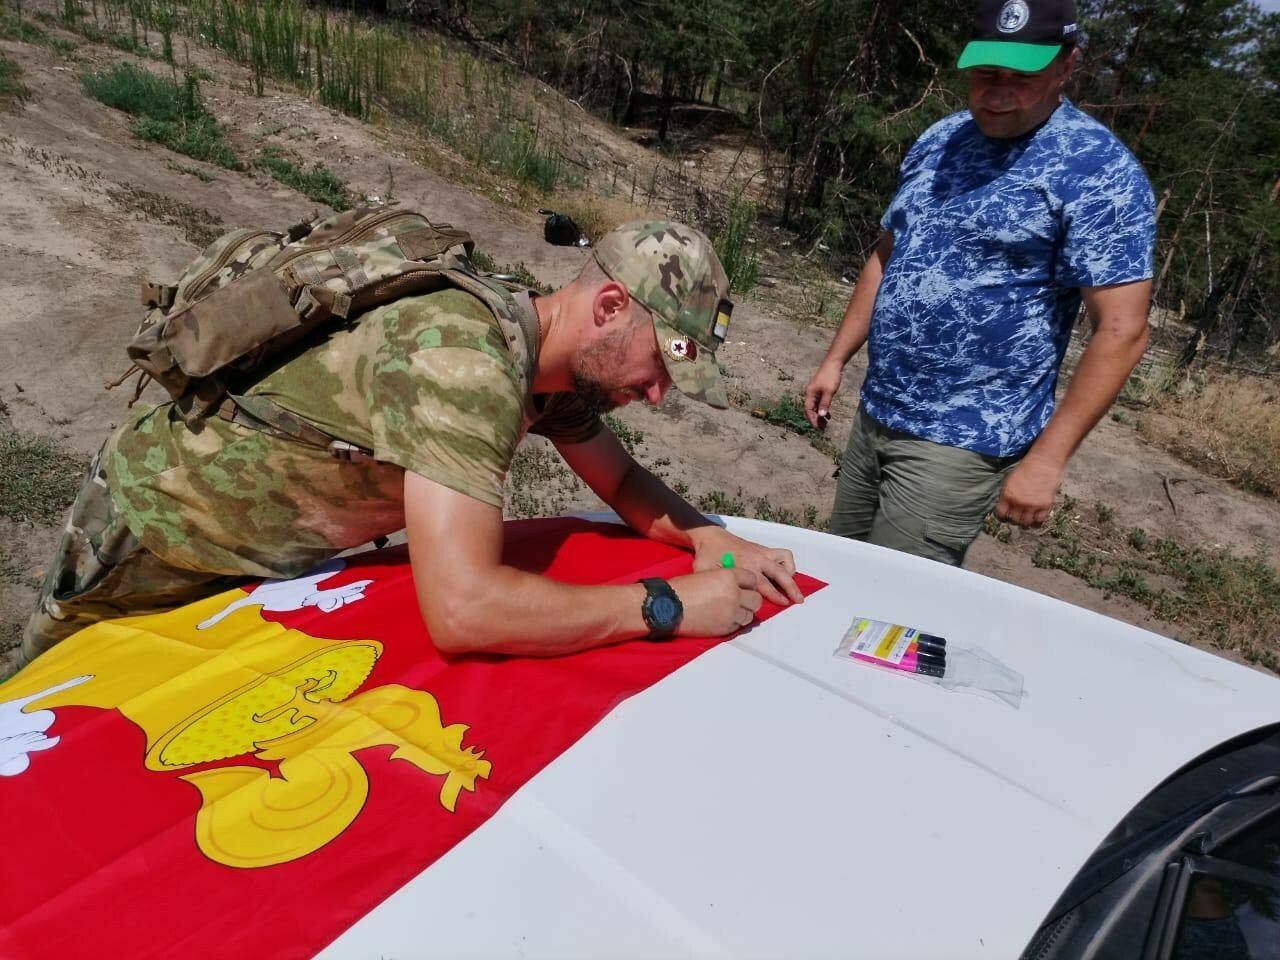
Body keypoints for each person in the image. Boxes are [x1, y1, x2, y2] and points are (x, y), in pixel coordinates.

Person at [18, 219, 803, 671]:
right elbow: (465, 611)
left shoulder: (554, 371)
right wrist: (665, 605)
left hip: (265, 562)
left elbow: (621, 480)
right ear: (607, 305)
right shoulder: (467, 365)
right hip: (162, 533)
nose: (659, 393)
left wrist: (712, 539)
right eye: (660, 362)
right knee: (43, 724)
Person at [803, 0, 1155, 566]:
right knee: (839, 572)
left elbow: (1123, 329)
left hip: (963, 438)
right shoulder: (943, 139)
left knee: (894, 611)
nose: (998, 93)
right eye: (986, 74)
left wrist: (1047, 459)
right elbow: (889, 252)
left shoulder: (1097, 172)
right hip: (879, 412)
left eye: (1022, 78)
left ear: (1065, 66)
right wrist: (837, 358)